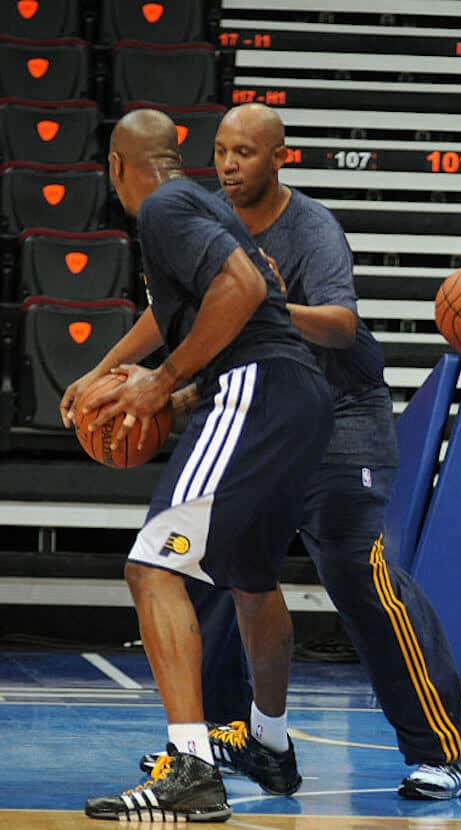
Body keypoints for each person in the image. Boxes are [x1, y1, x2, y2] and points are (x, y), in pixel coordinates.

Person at [124, 103, 461, 799]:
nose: (229, 164)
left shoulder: (311, 229)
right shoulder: (206, 214)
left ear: (281, 157)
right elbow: (181, 316)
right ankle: (234, 738)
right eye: (220, 150)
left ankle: (440, 749)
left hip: (339, 413)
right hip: (261, 408)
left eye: (245, 152)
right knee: (214, 563)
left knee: (353, 571)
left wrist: (263, 309)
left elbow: (342, 326)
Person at [62, 108, 334, 822]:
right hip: (298, 396)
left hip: (254, 389)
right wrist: (107, 367)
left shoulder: (161, 207)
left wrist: (162, 379)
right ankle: (270, 744)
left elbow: (241, 290)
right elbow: (175, 307)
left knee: (151, 568)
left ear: (118, 167)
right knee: (250, 578)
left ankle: (191, 768)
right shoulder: (198, 205)